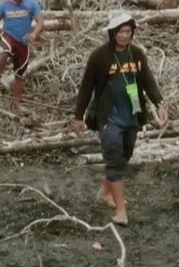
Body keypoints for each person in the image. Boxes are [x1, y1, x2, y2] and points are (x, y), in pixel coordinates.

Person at [71, 11, 170, 226]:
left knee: (125, 154)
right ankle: (120, 210)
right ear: (112, 33)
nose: (125, 36)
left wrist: (159, 103)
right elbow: (86, 87)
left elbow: (147, 81)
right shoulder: (99, 57)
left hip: (131, 114)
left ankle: (105, 192)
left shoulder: (137, 55)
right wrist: (79, 116)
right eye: (121, 32)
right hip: (108, 116)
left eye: (128, 31)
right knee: (114, 157)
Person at [0, 0, 44, 108]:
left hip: (23, 42)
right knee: (4, 51)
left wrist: (34, 34)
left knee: (20, 74)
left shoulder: (32, 3)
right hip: (9, 35)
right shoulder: (4, 4)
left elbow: (40, 21)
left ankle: (16, 102)